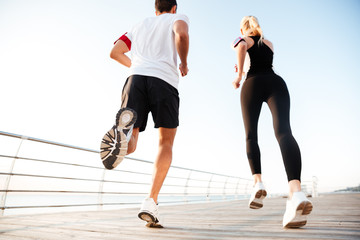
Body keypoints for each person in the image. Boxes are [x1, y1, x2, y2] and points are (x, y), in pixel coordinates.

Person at [100, 0, 189, 228]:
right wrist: (184, 63)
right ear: (173, 8)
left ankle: (124, 138)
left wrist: (136, 66)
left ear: (155, 8)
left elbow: (115, 51)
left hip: (135, 79)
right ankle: (151, 201)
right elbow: (181, 35)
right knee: (165, 143)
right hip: (164, 81)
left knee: (132, 141)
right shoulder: (176, 19)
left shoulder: (138, 25)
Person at [232, 16, 313, 228]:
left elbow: (241, 47)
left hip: (253, 83)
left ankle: (258, 182)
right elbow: (260, 57)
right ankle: (296, 191)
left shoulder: (243, 38)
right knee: (284, 133)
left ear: (243, 28)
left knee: (251, 135)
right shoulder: (269, 43)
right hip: (276, 83)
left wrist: (239, 75)